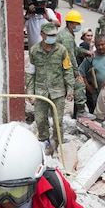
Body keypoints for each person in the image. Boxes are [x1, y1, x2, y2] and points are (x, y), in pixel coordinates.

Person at [26, 23, 75, 154]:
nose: (53, 37)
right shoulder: (34, 51)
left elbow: (68, 70)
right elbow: (31, 72)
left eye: (54, 35)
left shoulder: (62, 50)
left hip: (57, 92)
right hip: (41, 91)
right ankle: (45, 143)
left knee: (58, 121)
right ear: (42, 35)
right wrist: (30, 92)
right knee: (40, 119)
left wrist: (70, 89)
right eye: (50, 35)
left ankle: (58, 144)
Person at [59, 10, 94, 119]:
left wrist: (86, 52)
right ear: (70, 24)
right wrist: (76, 73)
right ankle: (81, 111)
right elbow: (71, 55)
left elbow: (75, 49)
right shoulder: (66, 37)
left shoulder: (68, 34)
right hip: (63, 67)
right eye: (77, 23)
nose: (79, 25)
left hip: (63, 66)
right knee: (79, 84)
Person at [79, 35, 105, 120]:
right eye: (98, 45)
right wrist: (89, 88)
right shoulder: (91, 57)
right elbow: (81, 73)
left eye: (102, 44)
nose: (100, 47)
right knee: (99, 117)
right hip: (98, 94)